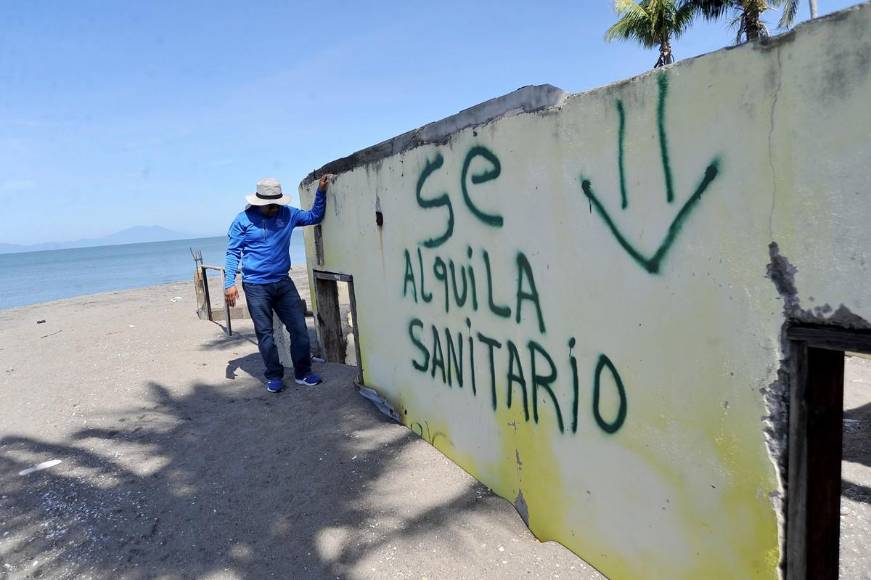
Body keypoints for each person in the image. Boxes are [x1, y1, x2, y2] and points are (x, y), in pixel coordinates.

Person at [223, 175, 331, 392]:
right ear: (258, 202)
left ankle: (303, 373)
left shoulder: (289, 214)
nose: (273, 209)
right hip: (255, 286)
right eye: (269, 205)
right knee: (265, 334)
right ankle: (274, 375)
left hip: (283, 282)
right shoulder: (242, 220)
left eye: (276, 204)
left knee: (299, 329)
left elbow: (314, 216)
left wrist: (321, 191)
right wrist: (229, 283)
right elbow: (233, 252)